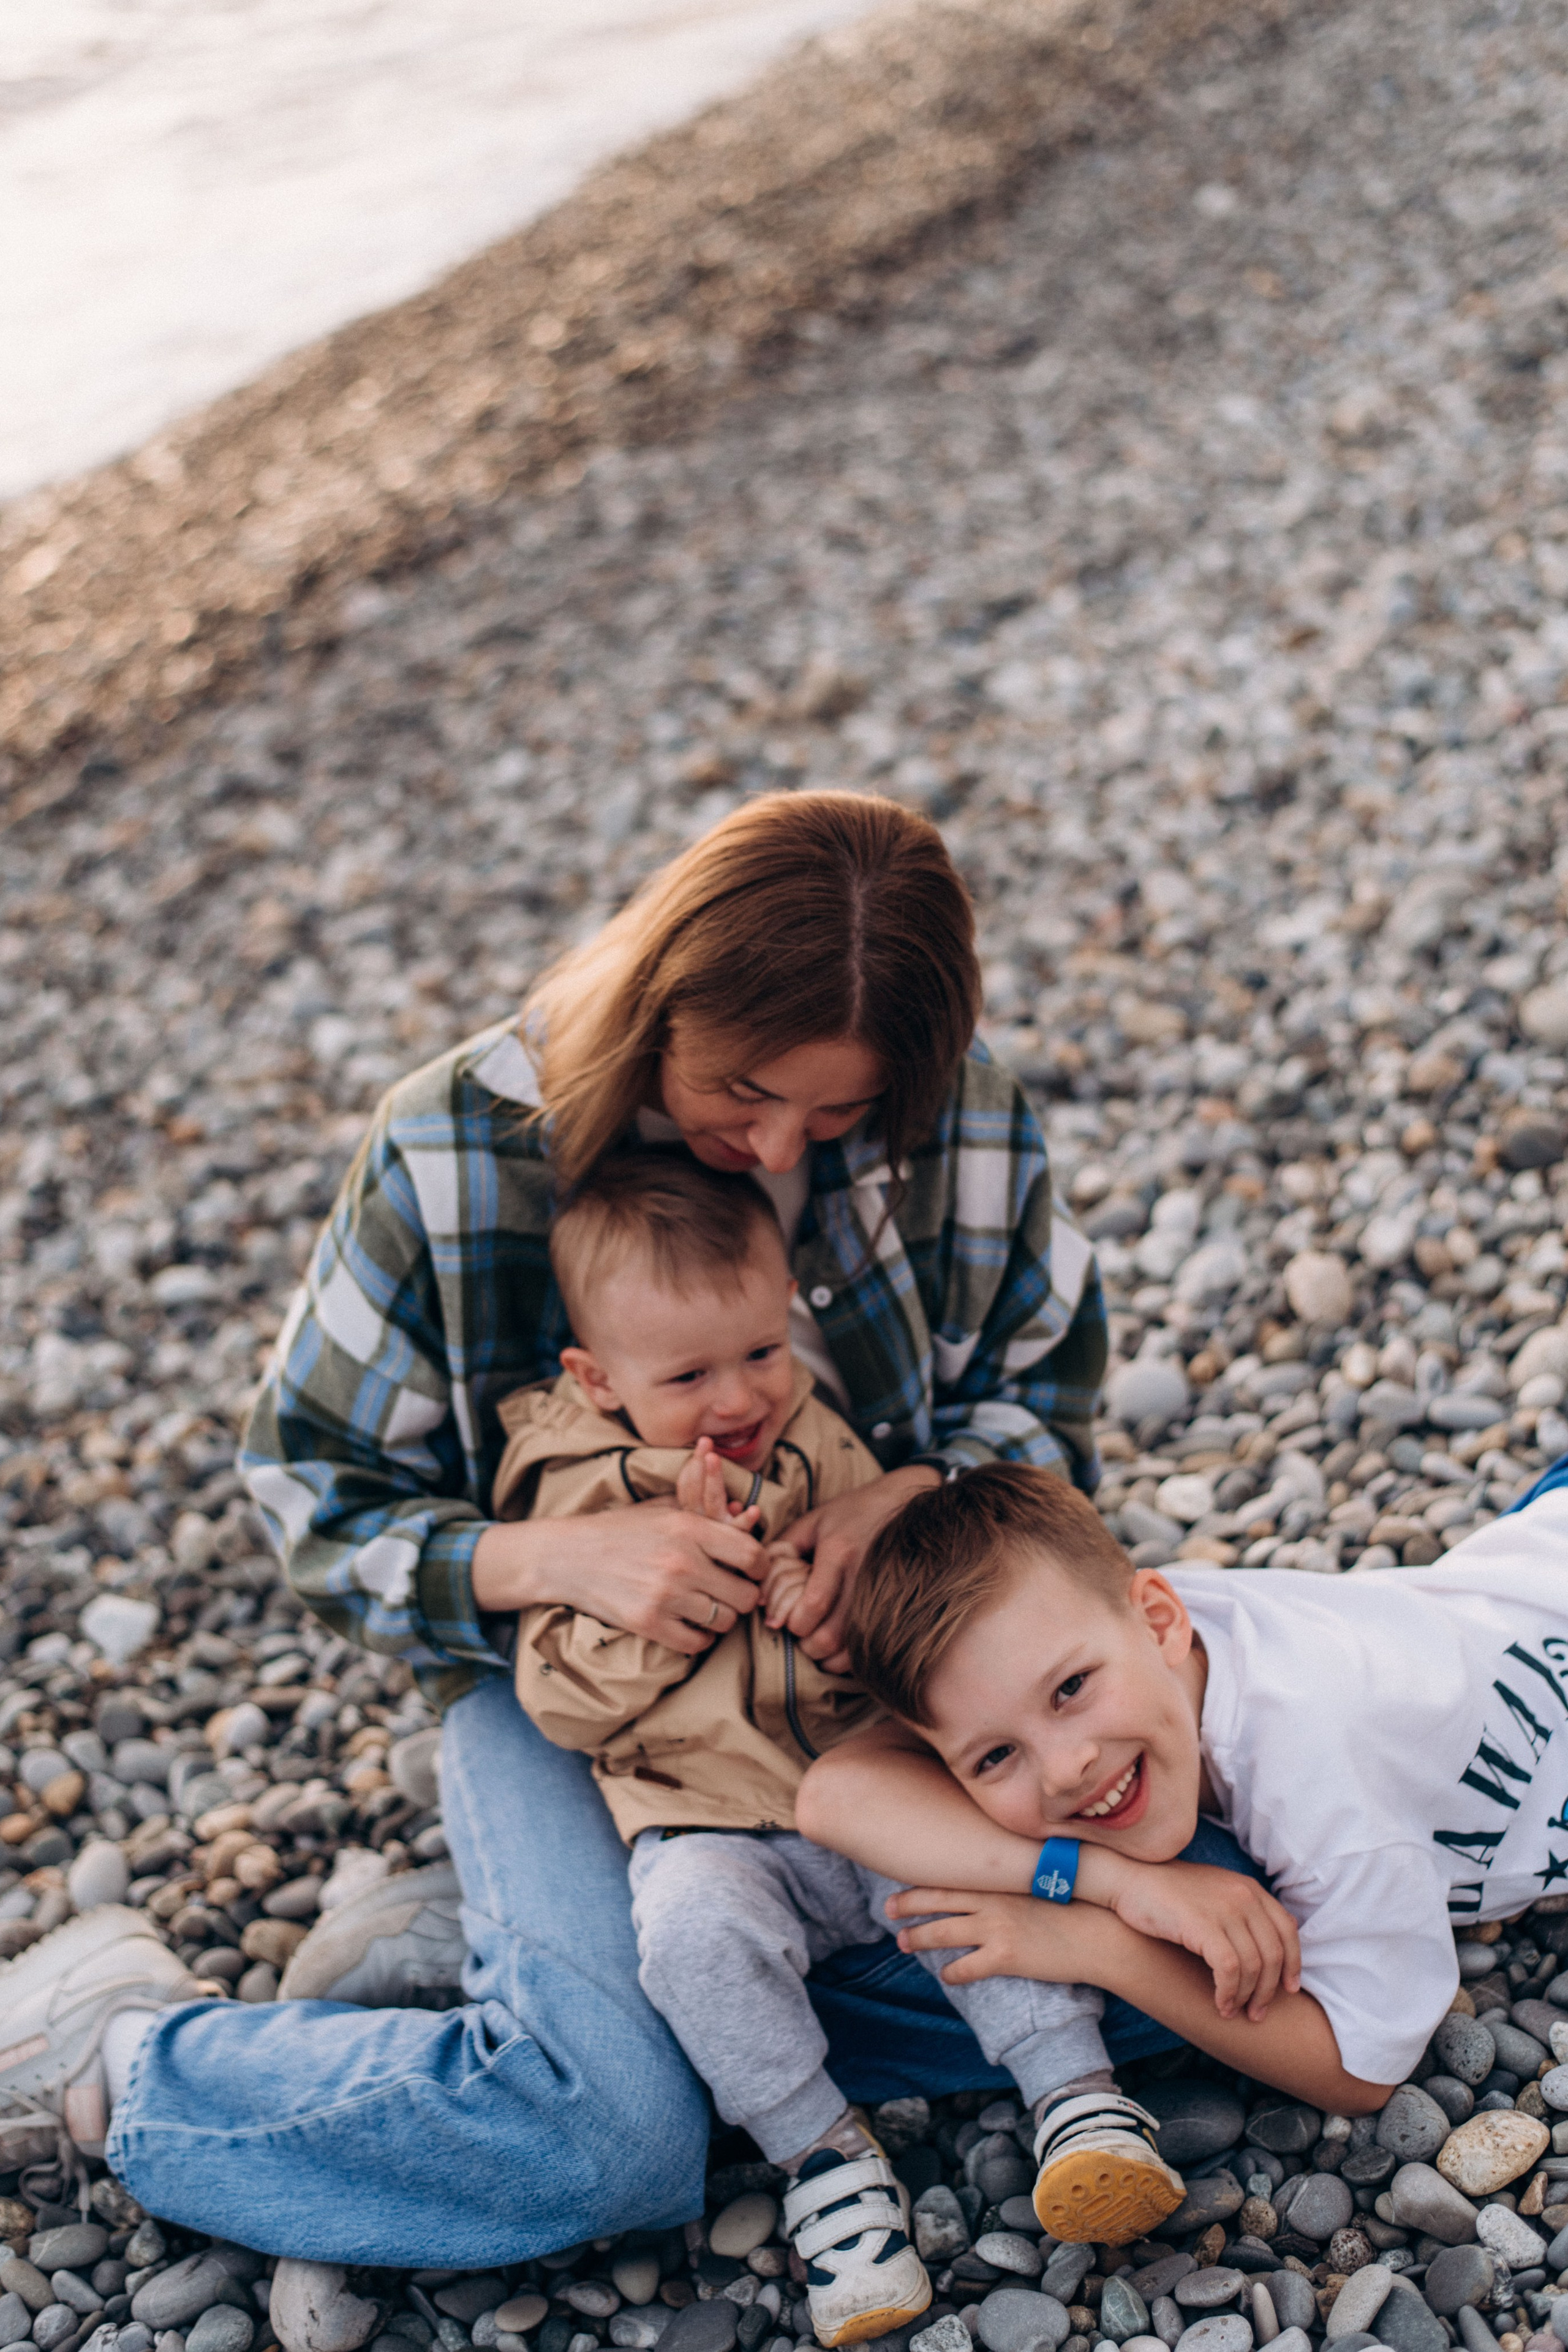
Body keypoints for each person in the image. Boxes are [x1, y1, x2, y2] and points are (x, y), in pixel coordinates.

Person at [0, 790, 1150, 2267]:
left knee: (1178, 1947)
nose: (776, 1144)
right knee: (613, 2139)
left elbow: (1043, 1399)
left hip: (878, 1669)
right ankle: (127, 2055)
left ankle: (525, 1967)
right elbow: (311, 1488)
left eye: (838, 1112)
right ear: (658, 997)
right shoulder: (449, 1150)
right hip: (573, 1703)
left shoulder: (959, 1109)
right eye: (742, 1089)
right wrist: (556, 1557)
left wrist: (909, 1497)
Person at [494, 1151, 1195, 2340]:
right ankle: (824, 2165)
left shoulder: (818, 1443)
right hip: (706, 1817)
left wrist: (838, 1607)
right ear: (595, 1378)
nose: (738, 1396)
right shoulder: (570, 1502)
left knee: (970, 1891)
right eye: (688, 1374)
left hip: (864, 1783)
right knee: (689, 1942)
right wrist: (672, 1614)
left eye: (762, 1353)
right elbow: (560, 1701)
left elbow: (916, 1640)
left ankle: (1074, 2097)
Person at [799, 1457, 1568, 2120]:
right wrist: (1112, 1882)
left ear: (1161, 1617)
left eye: (1069, 1689)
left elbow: (1360, 2070)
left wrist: (1096, 1943)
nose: (1065, 1768)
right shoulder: (1097, 1628)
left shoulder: (1319, 1786)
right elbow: (833, 1795)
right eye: (996, 1755)